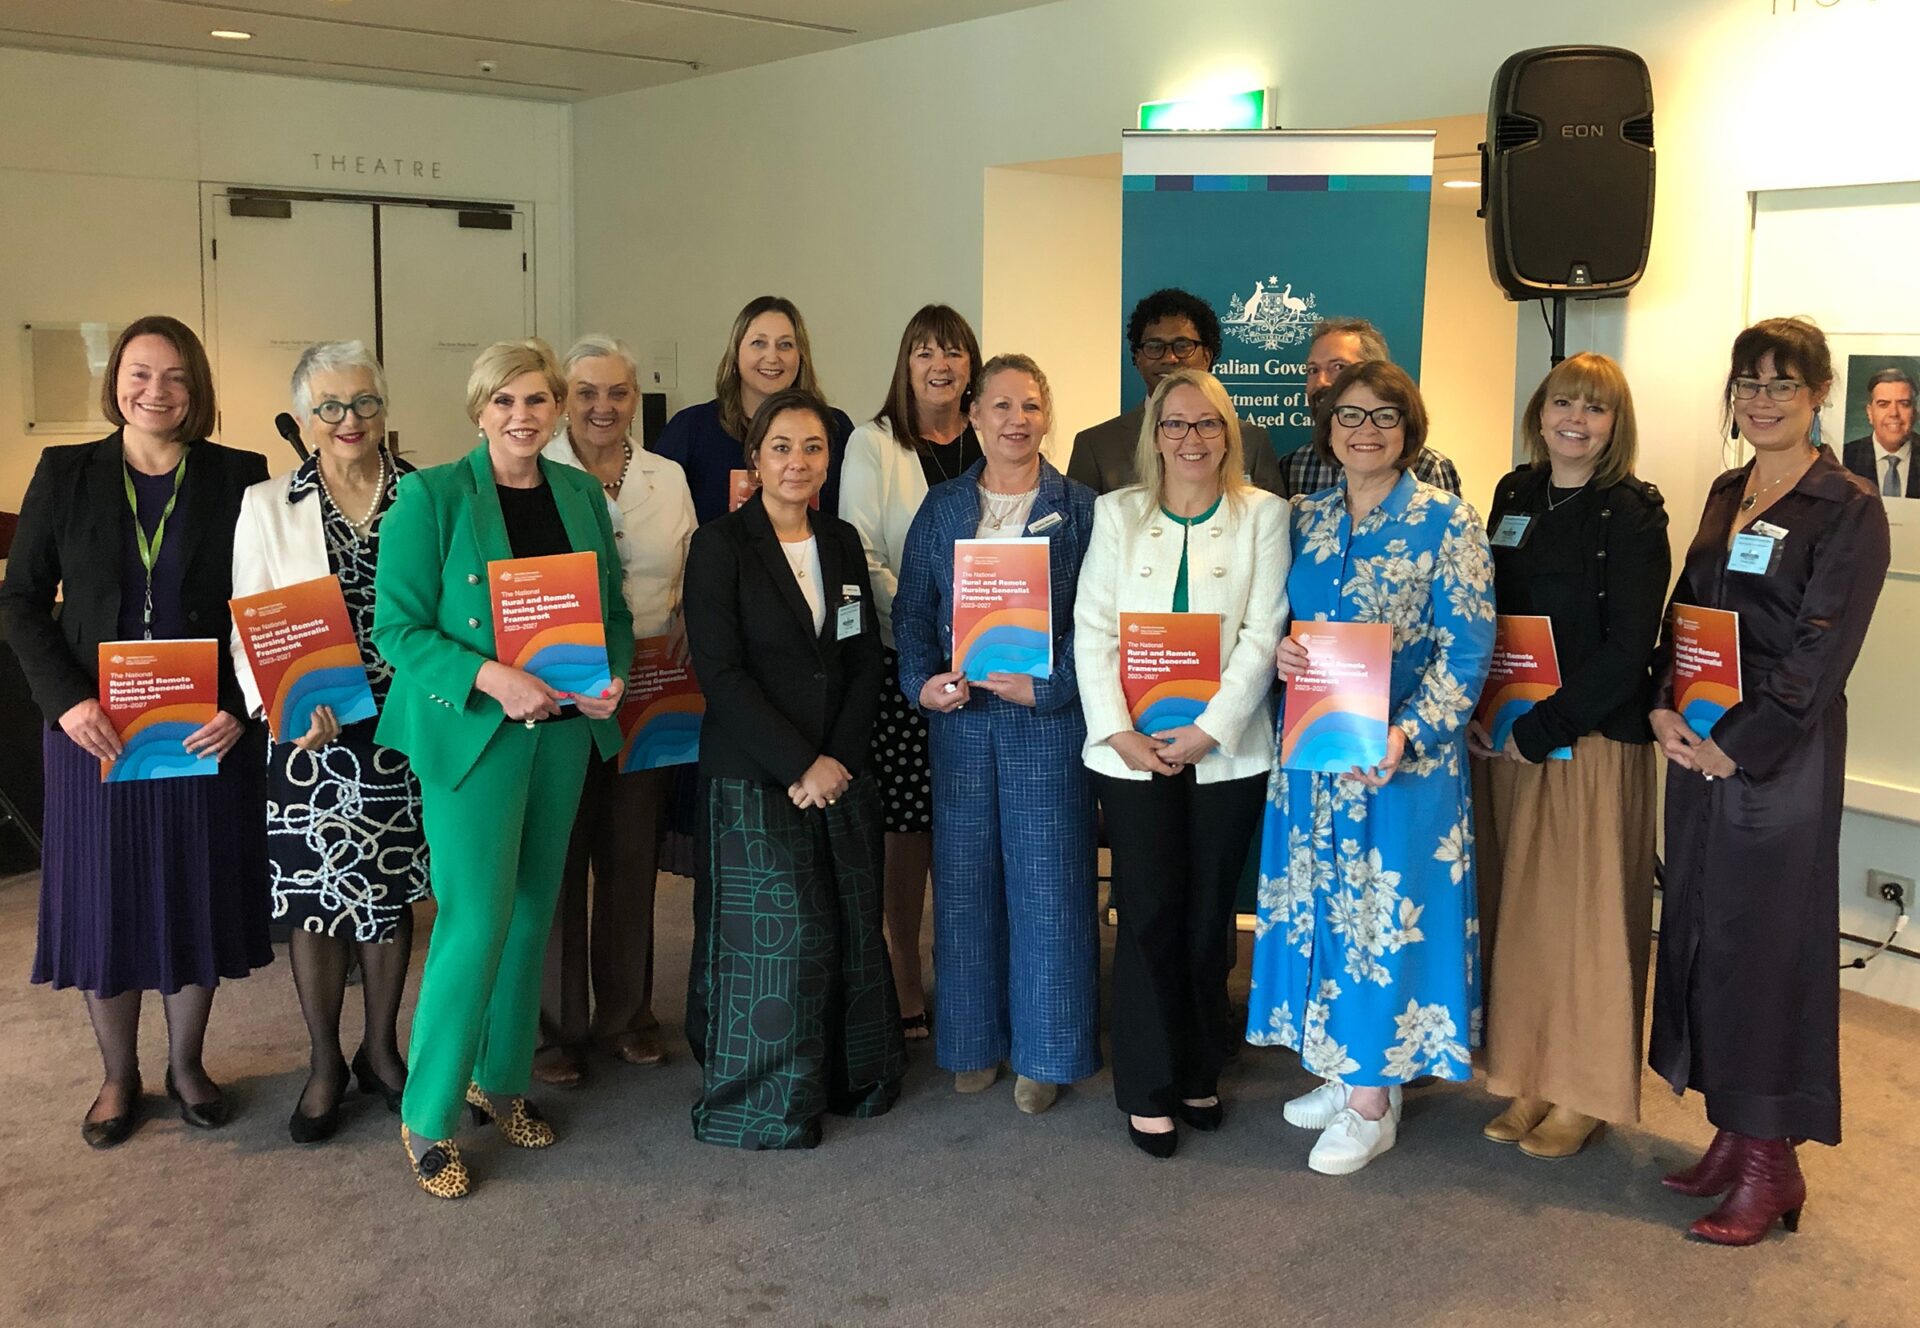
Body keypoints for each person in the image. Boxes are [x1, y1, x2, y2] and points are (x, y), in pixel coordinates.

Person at [372, 338, 632, 1199]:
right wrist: (495, 676)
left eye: (538, 402)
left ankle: (501, 1078)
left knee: (531, 915)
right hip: (475, 731)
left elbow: (613, 611)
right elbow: (398, 630)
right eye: (506, 402)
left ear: (558, 410)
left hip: (560, 733)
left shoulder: (577, 492)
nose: (523, 416)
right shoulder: (432, 494)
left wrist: (612, 679)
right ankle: (428, 1115)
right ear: (480, 410)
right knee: (475, 919)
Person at [0, 315, 270, 1147]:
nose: (156, 391)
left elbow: (263, 603)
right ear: (116, 379)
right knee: (105, 897)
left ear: (199, 390)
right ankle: (118, 1077)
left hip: (204, 728)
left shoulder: (241, 477)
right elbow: (19, 601)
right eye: (140, 374)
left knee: (194, 888)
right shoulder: (66, 472)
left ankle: (188, 1066)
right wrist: (65, 701)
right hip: (94, 729)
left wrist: (240, 704)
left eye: (176, 377)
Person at [1649, 318, 1888, 1245]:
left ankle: (1770, 1162)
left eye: (1783, 385)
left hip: (1776, 760)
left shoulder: (1848, 505)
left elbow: (1820, 649)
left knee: (1766, 944)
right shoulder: (1727, 487)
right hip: (1697, 743)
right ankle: (1733, 1132)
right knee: (1704, 929)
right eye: (1749, 383)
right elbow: (1689, 608)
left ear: (1820, 393)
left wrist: (1739, 744)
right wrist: (1663, 703)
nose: (1763, 399)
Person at [1248, 360, 1495, 1176]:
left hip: (1400, 765)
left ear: (1409, 429)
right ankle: (1340, 1063)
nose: (1365, 431)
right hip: (1316, 757)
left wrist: (1410, 733)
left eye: (1385, 417)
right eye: (1351, 417)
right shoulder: (1303, 517)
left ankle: (1372, 1102)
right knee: (1325, 909)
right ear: (1329, 428)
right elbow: (1290, 624)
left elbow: (1468, 650)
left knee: (1381, 923)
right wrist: (1285, 651)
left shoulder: (1447, 521)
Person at [681, 387, 905, 1149]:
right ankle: (767, 1100)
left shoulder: (839, 541)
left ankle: (849, 1077)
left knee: (846, 925)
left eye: (813, 448)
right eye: (781, 447)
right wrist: (800, 762)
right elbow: (721, 673)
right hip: (754, 773)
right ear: (755, 456)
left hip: (839, 772)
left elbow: (861, 656)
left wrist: (837, 757)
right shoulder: (719, 545)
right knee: (784, 939)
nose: (798, 462)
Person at [1074, 369, 1288, 1158]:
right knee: (1148, 913)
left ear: (1229, 434)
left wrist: (1210, 728)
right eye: (1176, 426)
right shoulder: (1116, 513)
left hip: (1225, 753)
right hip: (1129, 753)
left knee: (1206, 920)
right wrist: (1118, 731)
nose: (1192, 440)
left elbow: (1264, 634)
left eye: (1207, 425)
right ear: (1153, 436)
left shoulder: (1264, 515)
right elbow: (1091, 628)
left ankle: (1201, 1068)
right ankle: (1148, 1084)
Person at [1467, 353, 1669, 1159]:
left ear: (1616, 424)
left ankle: (1582, 1091)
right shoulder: (1514, 494)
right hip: (1507, 738)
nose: (1575, 420)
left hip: (1585, 741)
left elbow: (1630, 648)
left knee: (1584, 923)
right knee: (1519, 917)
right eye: (1562, 403)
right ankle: (1525, 1075)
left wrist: (1542, 726)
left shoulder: (1633, 513)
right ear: (1539, 412)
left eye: (1595, 408)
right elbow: (1490, 615)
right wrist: (1490, 716)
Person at [229, 341, 429, 1143]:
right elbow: (247, 622)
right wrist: (278, 704)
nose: (351, 420)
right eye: (331, 407)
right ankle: (322, 1061)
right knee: (315, 899)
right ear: (307, 418)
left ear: (385, 408)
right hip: (310, 730)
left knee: (386, 891)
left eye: (366, 403)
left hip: (404, 724)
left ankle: (381, 1050)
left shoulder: (426, 493)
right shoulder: (266, 503)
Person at [895, 353, 1100, 1114]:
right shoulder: (943, 508)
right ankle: (972, 1042)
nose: (1017, 420)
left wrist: (1049, 684)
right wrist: (922, 680)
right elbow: (913, 609)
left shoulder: (1081, 508)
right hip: (962, 724)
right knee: (965, 885)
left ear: (1048, 417)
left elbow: (1099, 622)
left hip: (1046, 727)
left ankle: (1048, 1052)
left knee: (1050, 887)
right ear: (974, 415)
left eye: (1032, 406)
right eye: (1001, 406)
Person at [533, 335, 696, 1086]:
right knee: (560, 858)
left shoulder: (668, 476)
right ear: (565, 397)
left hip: (650, 691)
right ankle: (557, 1029)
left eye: (619, 393)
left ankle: (626, 1012)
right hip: (560, 694)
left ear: (637, 397)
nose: (604, 407)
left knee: (633, 857)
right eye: (587, 392)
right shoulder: (537, 471)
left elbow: (688, 576)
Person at [839, 304, 984, 1042]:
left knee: (967, 822)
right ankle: (901, 971)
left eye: (955, 351)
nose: (941, 364)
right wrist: (932, 620)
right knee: (907, 827)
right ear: (907, 363)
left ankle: (964, 969)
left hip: (992, 669)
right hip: (906, 658)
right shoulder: (875, 444)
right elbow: (860, 554)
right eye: (926, 351)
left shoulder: (991, 436)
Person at [654, 295, 855, 523]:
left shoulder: (835, 429)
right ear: (736, 352)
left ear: (801, 356)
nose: (772, 357)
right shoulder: (690, 428)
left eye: (785, 345)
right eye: (758, 343)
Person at [1068, 287, 1285, 496]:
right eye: (1154, 346)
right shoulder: (1095, 446)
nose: (1169, 358)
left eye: (1182, 346)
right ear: (1138, 359)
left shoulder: (1252, 441)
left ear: (1207, 357)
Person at [1280, 318, 1462, 499]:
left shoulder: (1429, 467)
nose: (1321, 381)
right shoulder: (1295, 466)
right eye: (1313, 370)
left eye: (1338, 367)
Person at [1841, 366, 1919, 498]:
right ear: (1870, 413)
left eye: (1904, 404)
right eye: (1883, 404)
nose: (1894, 413)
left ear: (1915, 412)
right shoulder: (1845, 457)